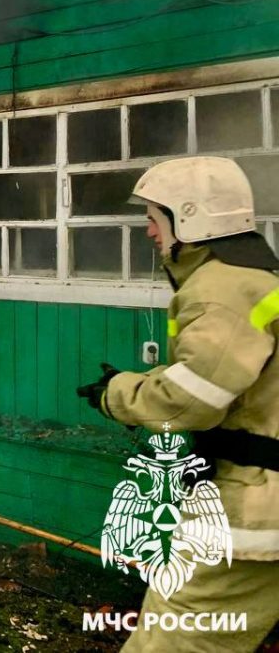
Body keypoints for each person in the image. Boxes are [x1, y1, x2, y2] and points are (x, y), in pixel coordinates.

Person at [77, 156, 278, 652]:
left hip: (257, 502)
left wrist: (116, 394)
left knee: (175, 634)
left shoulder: (221, 289)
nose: (148, 230)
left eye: (153, 217)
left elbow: (192, 400)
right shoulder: (253, 276)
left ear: (188, 217)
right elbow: (226, 377)